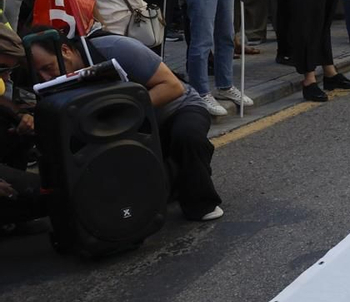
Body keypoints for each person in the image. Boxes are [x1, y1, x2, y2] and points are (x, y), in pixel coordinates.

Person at [24, 29, 225, 221]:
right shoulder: (48, 82)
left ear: (66, 51)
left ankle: (201, 203)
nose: (45, 78)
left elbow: (172, 87)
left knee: (187, 136)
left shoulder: (115, 47)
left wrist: (124, 113)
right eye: (38, 73)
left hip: (174, 110)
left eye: (48, 68)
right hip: (125, 128)